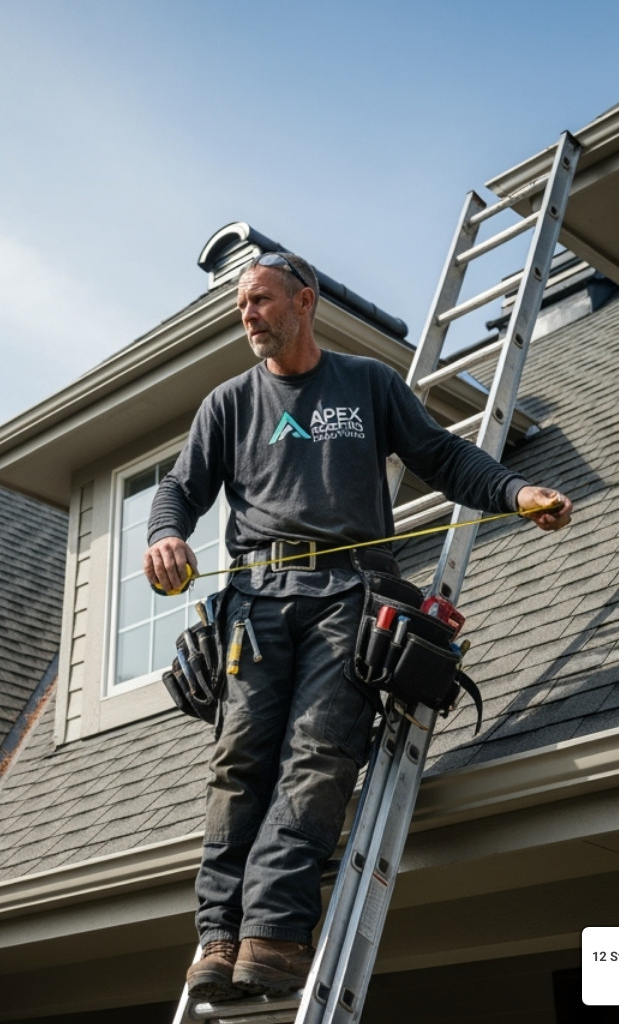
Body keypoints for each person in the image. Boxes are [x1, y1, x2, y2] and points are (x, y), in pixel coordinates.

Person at [143, 252, 571, 998]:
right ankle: (217, 937)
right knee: (239, 762)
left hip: (346, 597)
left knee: (319, 754)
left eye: (262, 300)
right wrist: (164, 536)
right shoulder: (229, 403)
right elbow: (181, 490)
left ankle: (272, 935)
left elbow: (440, 456)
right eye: (242, 304)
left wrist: (515, 490)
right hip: (257, 601)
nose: (248, 314)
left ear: (304, 301)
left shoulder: (367, 385)